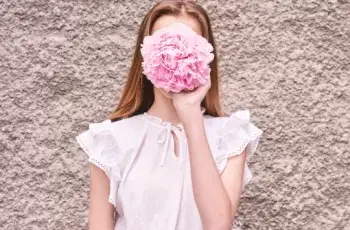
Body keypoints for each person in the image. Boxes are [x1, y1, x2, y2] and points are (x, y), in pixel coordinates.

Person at [75, 1, 263, 229]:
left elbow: (218, 225)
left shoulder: (230, 136)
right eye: (163, 44)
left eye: (189, 44)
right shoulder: (111, 140)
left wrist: (191, 115)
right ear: (144, 56)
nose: (175, 56)